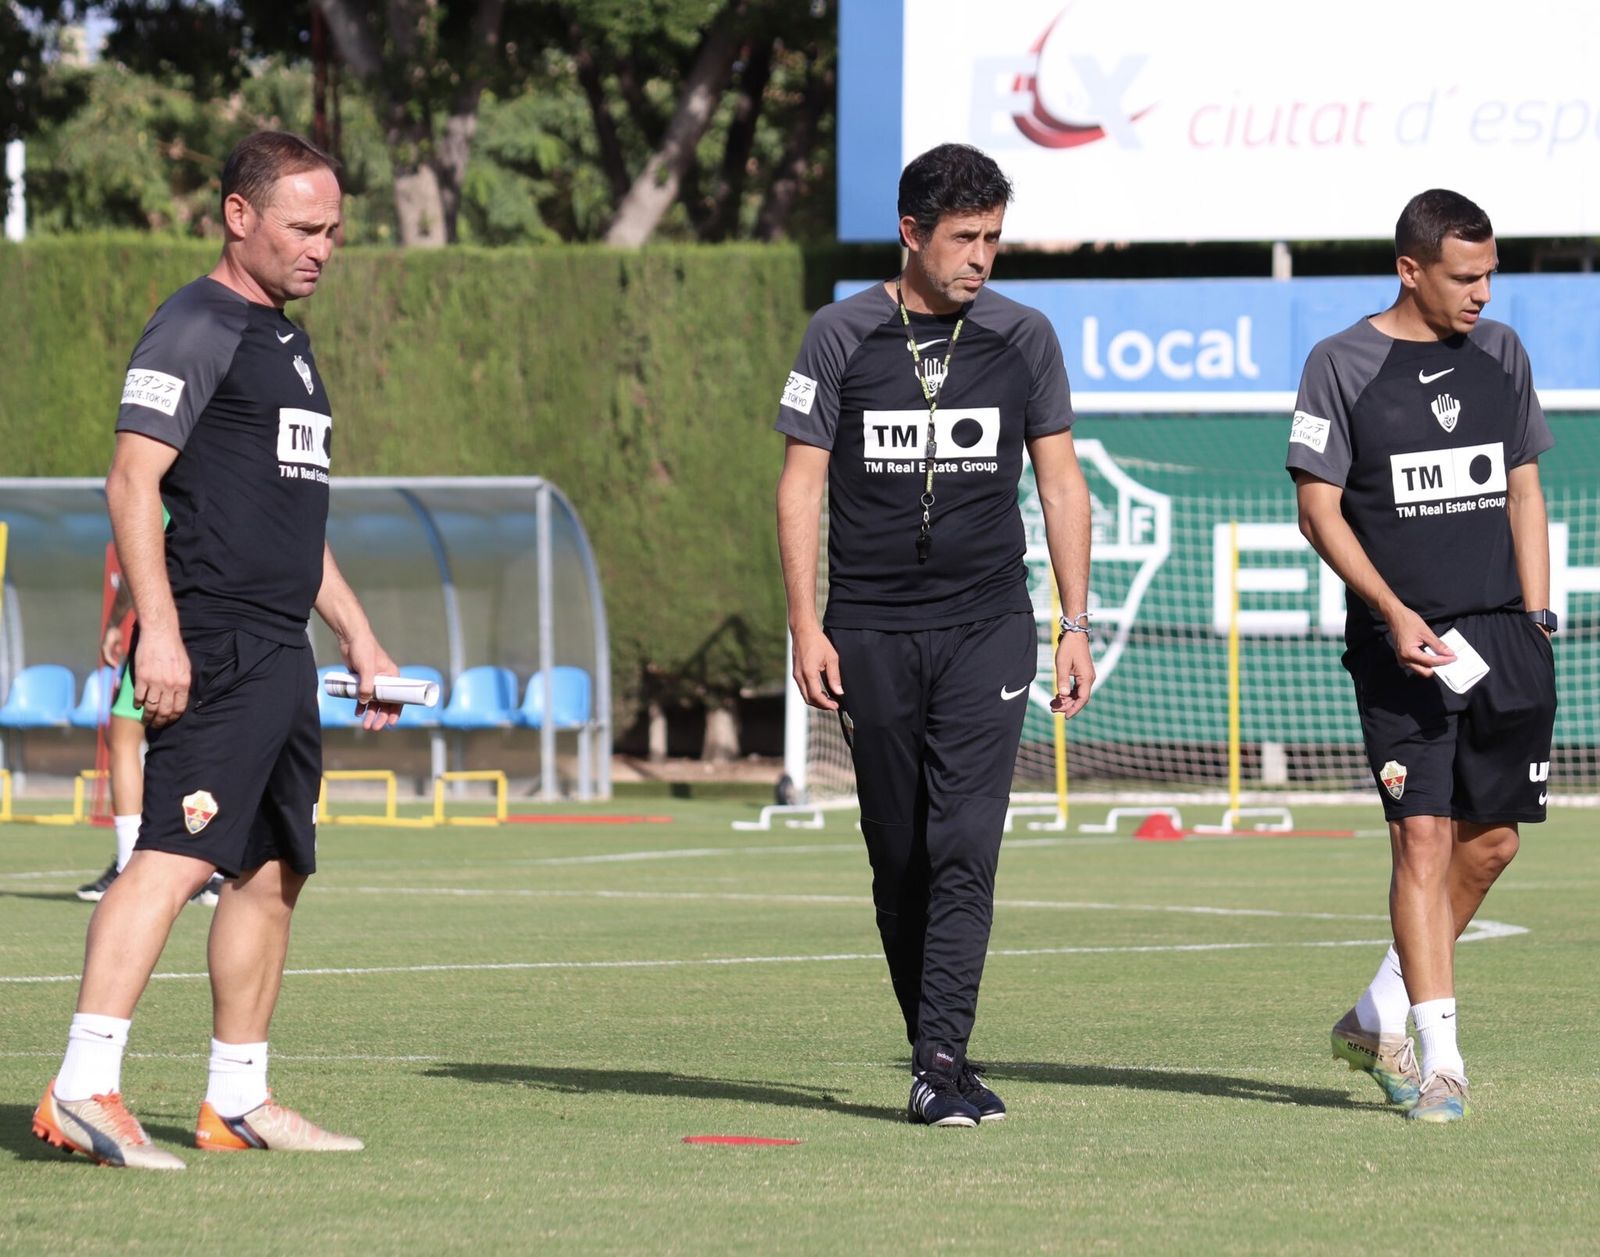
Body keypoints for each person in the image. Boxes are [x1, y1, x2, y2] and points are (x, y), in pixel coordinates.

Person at [33, 130, 403, 1171]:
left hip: (280, 649)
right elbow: (131, 480)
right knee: (173, 855)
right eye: (303, 226)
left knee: (274, 871)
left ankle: (237, 1099)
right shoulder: (195, 323)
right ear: (239, 216)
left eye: (333, 229)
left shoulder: (284, 340)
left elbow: (289, 522)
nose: (321, 247)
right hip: (214, 640)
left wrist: (360, 636)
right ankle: (82, 1087)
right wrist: (158, 628)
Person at [775, 143, 1094, 1128]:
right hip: (869, 631)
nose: (980, 257)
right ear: (911, 233)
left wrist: (1073, 621)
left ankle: (939, 1059)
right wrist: (804, 624)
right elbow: (798, 487)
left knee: (964, 842)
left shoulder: (1024, 336)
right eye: (963, 238)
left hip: (988, 627)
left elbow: (1061, 483)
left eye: (993, 237)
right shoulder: (837, 334)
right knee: (898, 854)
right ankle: (941, 1059)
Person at [1286, 189, 1556, 1124]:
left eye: (1490, 274)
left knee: (1494, 843)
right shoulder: (1340, 364)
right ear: (1411, 270)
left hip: (1504, 634)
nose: (1483, 292)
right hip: (1399, 642)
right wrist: (1393, 612)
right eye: (1465, 276)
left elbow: (1524, 487)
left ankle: (1377, 1011)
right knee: (1424, 838)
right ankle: (1441, 1063)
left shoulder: (1503, 352)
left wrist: (1538, 615)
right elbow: (1317, 509)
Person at [77, 563, 224, 907]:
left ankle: (129, 862)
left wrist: (115, 623)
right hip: (229, 632)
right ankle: (217, 871)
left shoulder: (158, 519)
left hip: (168, 637)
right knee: (215, 740)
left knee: (124, 736)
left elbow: (135, 566)